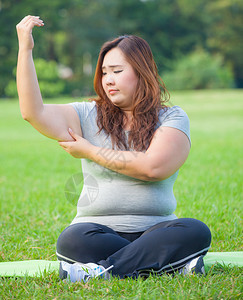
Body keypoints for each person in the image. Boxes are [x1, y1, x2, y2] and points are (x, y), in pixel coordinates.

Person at [16, 15, 211, 282]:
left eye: (117, 71)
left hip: (156, 230)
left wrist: (89, 151)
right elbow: (32, 112)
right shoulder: (87, 114)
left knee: (194, 231)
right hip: (97, 233)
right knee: (72, 240)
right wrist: (25, 49)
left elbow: (153, 168)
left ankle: (100, 271)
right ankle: (170, 264)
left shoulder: (172, 118)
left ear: (142, 72)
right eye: (104, 72)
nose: (108, 80)